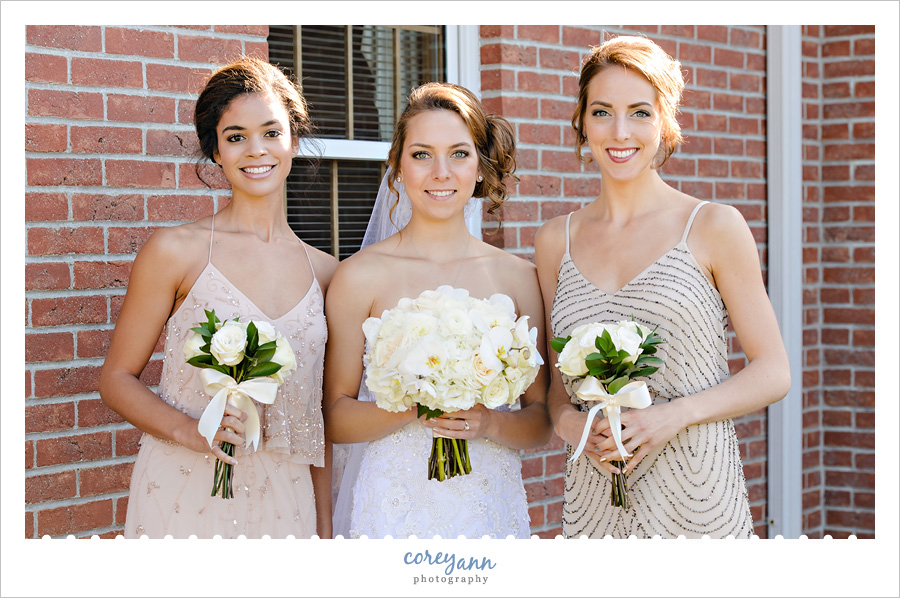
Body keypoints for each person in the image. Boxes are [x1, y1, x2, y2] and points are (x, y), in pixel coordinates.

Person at [534, 36, 791, 538]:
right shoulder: (553, 240)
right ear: (582, 122)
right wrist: (575, 428)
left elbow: (774, 372)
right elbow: (554, 395)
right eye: (602, 112)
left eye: (640, 112)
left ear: (665, 122)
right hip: (594, 495)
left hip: (696, 490)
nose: (620, 131)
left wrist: (673, 416)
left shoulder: (714, 225)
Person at [99, 56, 338, 538]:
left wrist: (327, 532)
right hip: (185, 487)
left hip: (287, 501)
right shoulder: (175, 252)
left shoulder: (328, 272)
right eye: (236, 137)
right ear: (215, 152)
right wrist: (193, 431)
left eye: (272, 133)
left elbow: (321, 420)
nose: (257, 150)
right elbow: (116, 379)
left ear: (292, 141)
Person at [324, 82, 551, 539]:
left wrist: (488, 421)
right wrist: (418, 408)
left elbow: (541, 420)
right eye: (422, 154)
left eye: (459, 154)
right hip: (394, 506)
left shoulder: (520, 280)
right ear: (398, 166)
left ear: (482, 168)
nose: (440, 173)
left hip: (487, 501)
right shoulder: (358, 276)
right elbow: (335, 417)